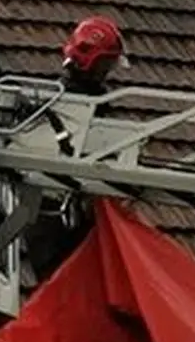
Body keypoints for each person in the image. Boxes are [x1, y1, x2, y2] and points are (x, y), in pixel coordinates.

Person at [20, 15, 128, 283]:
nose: (107, 72)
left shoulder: (85, 102)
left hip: (62, 211)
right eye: (105, 64)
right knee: (60, 281)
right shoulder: (69, 104)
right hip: (49, 213)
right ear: (92, 62)